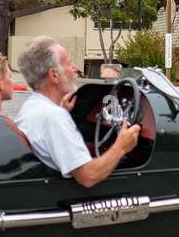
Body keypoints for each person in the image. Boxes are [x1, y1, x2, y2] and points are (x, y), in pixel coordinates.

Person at [15, 37, 139, 188]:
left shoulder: (32, 108)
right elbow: (88, 176)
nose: (75, 68)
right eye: (69, 62)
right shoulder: (54, 117)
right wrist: (121, 146)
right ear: (54, 75)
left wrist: (62, 112)